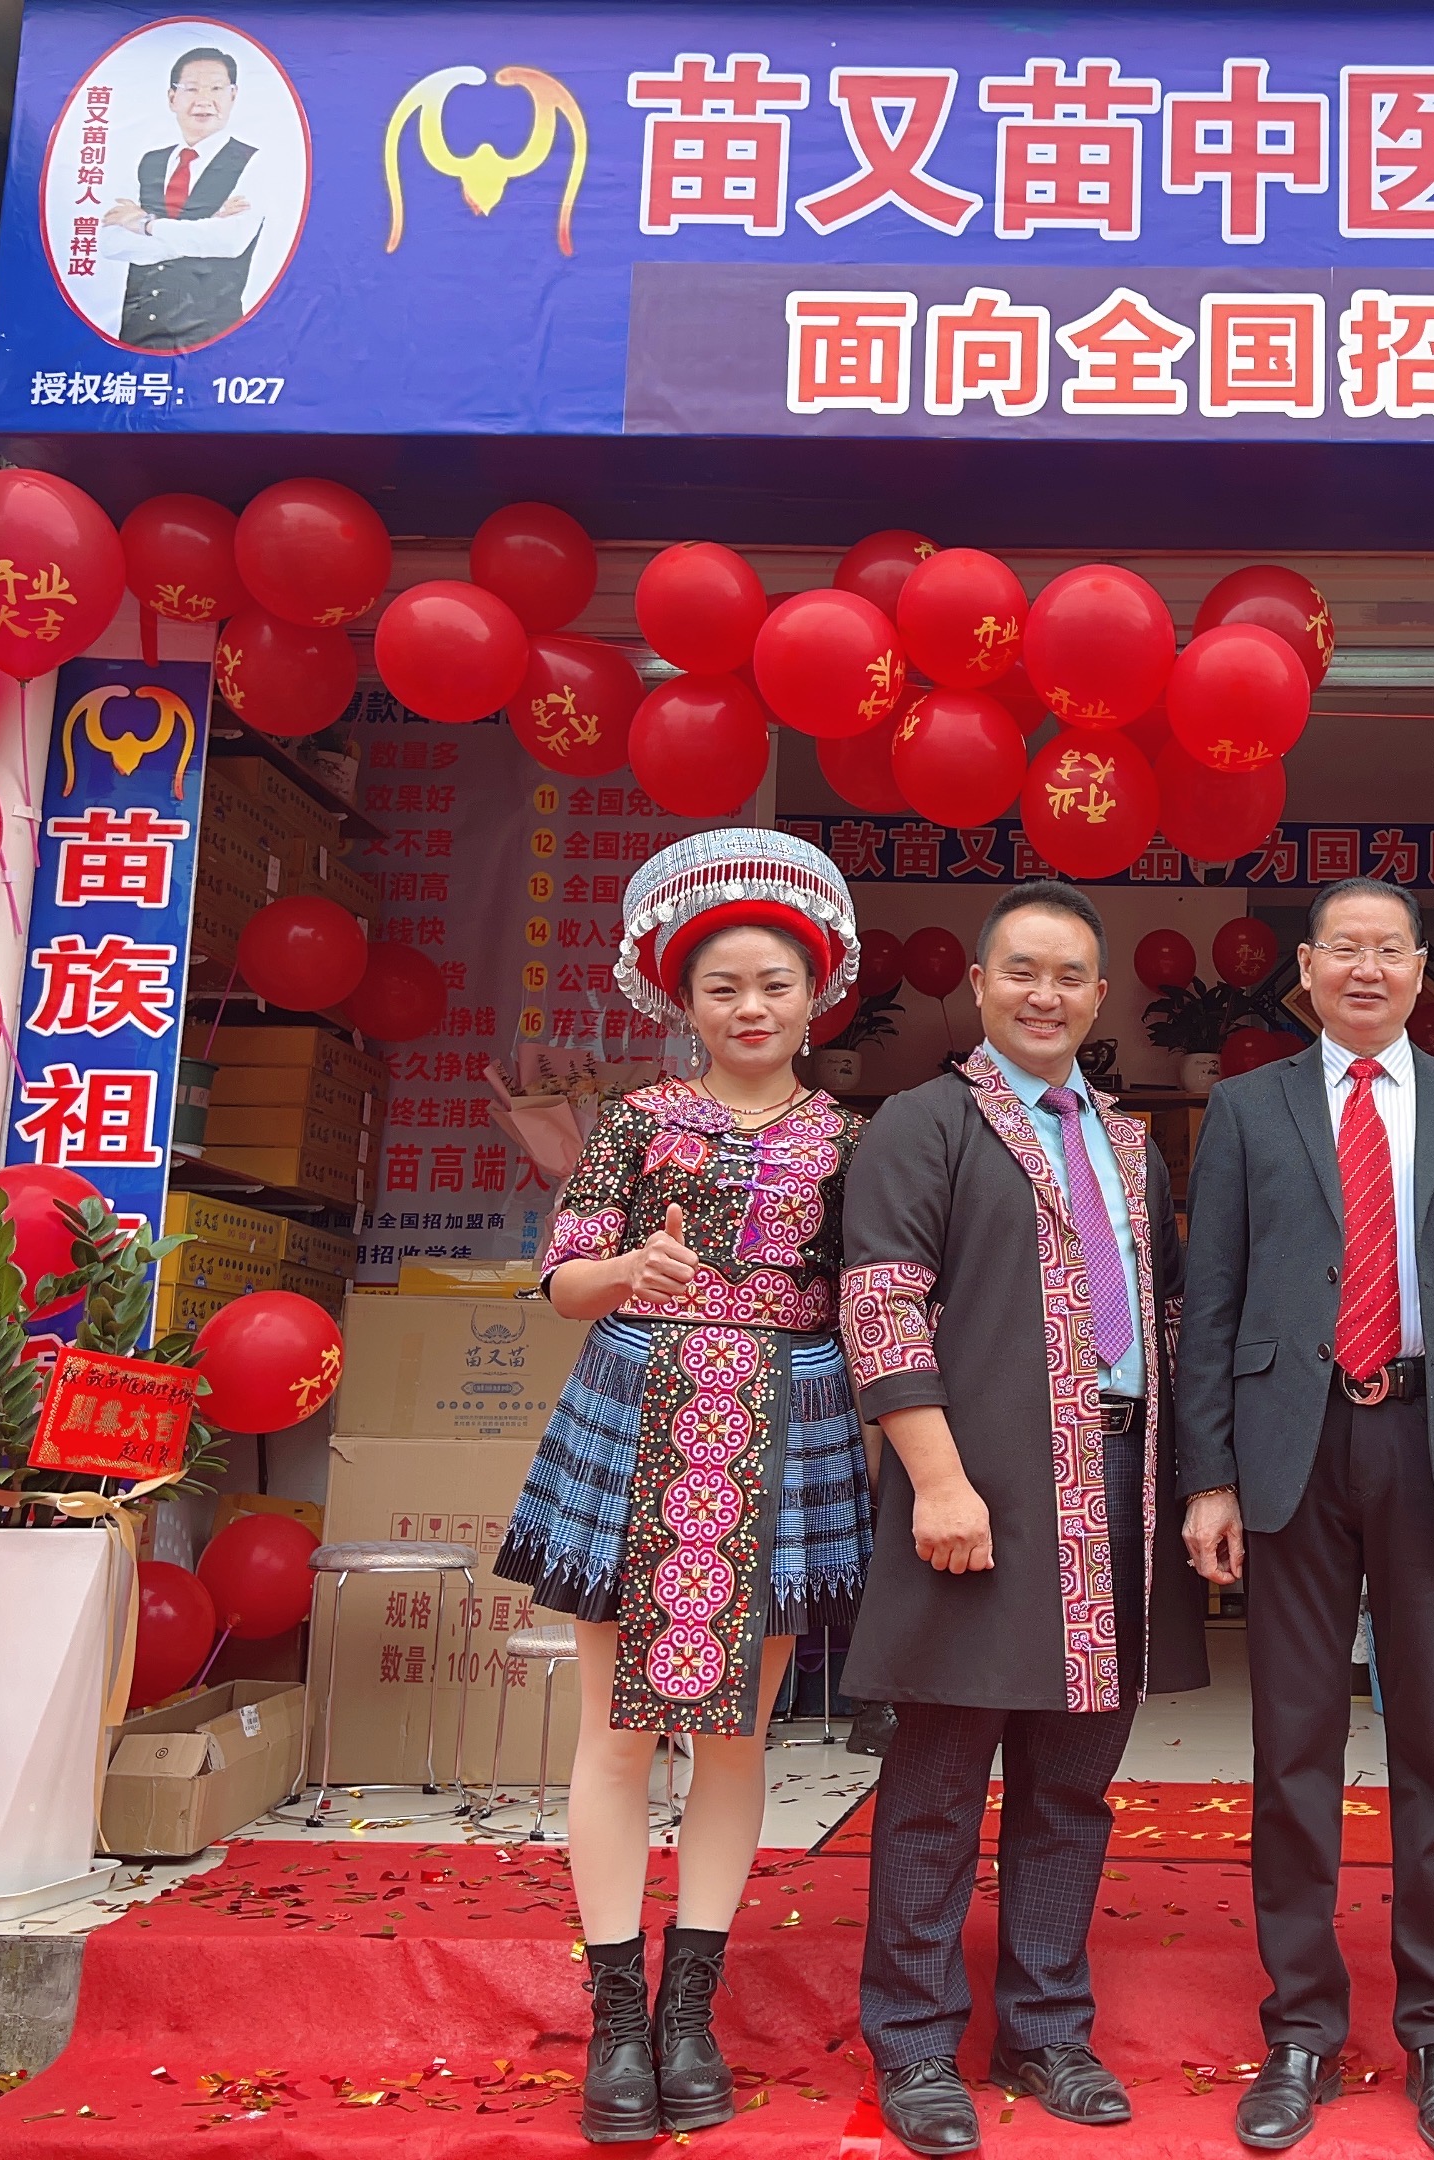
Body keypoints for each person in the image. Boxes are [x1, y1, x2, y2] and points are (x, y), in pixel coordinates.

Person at [492, 829, 872, 2146]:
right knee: (612, 1735)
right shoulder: (639, 1123)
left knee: (735, 1738)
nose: (751, 1007)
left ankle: (688, 2010)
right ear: (684, 1001)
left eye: (775, 984)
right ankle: (615, 2017)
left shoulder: (853, 1140)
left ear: (815, 996)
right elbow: (563, 1281)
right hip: (636, 1411)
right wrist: (629, 1273)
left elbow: (875, 1298)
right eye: (724, 988)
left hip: (786, 1427)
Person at [1179, 876, 1434, 2158]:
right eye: (1341, 948)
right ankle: (1300, 2025)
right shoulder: (1249, 1109)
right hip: (1291, 1448)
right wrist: (1209, 1477)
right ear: (1304, 968)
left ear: (1418, 969)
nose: (1364, 969)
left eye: (1387, 950)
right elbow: (1210, 1301)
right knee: (1291, 1751)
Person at [841, 879, 1206, 2157]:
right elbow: (880, 1302)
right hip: (980, 1491)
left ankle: (1046, 2027)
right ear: (981, 986)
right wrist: (936, 1481)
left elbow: (1168, 1320)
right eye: (1021, 972)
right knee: (939, 1782)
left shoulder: (1132, 1144)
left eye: (1068, 977)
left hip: (1119, 1483)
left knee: (1072, 1786)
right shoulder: (923, 1122)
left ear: (1100, 997)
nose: (1044, 996)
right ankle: (914, 2041)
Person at [99, 45, 270, 350]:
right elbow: (111, 242)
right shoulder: (147, 161)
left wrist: (146, 224)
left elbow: (229, 242)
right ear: (171, 97)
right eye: (191, 88)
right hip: (137, 333)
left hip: (212, 338)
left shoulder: (256, 162)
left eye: (216, 88)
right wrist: (200, 231)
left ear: (233, 95)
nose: (203, 100)